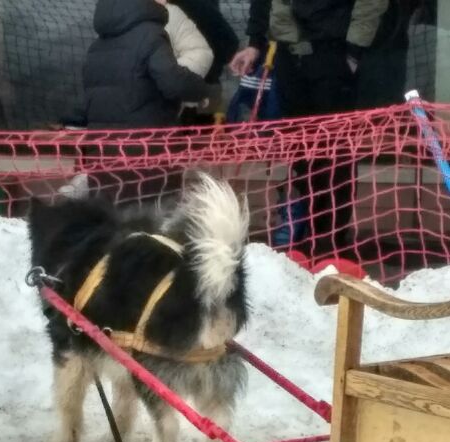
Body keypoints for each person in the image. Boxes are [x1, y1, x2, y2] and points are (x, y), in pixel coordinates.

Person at [230, 0, 391, 257]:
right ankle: (308, 235)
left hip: (334, 52)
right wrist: (255, 43)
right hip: (290, 56)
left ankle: (330, 242)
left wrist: (354, 49)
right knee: (302, 154)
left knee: (334, 155)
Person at [82, 0, 213, 205]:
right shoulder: (151, 35)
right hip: (148, 156)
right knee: (154, 219)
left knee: (107, 218)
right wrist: (203, 91)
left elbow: (89, 100)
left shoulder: (96, 46)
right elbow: (174, 83)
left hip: (102, 156)